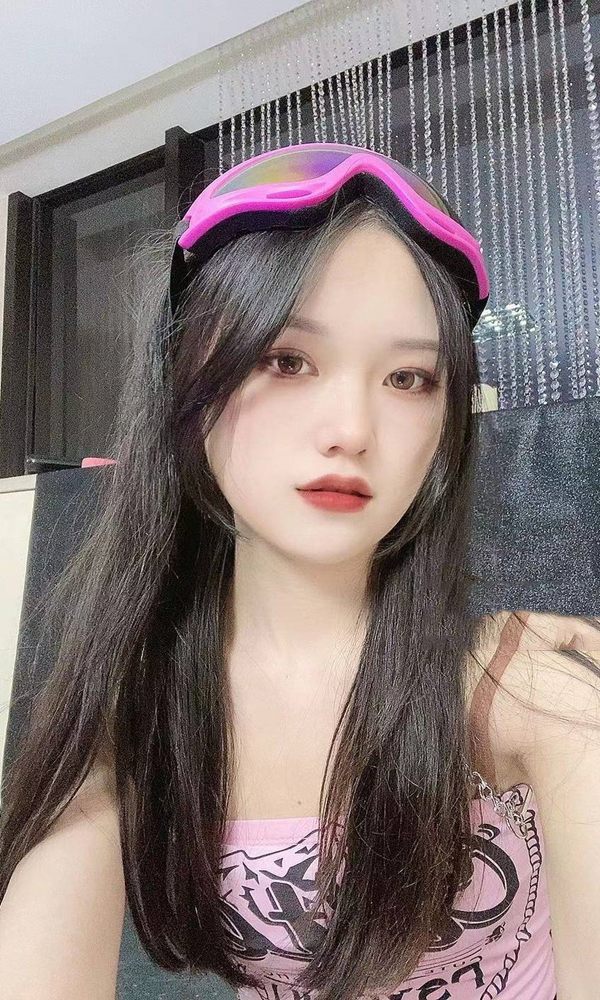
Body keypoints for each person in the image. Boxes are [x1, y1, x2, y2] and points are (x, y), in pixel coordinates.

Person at [0, 142, 599, 1000]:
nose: (351, 428)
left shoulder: (517, 692)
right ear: (187, 380)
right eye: (287, 361)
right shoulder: (139, 706)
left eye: (408, 377)